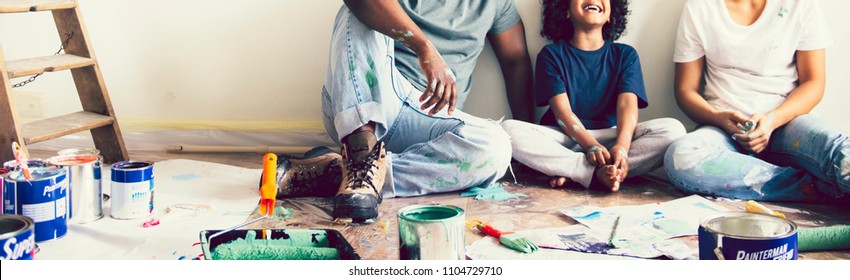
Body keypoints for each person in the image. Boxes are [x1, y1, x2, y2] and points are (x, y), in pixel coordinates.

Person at [271, 0, 535, 223]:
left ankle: (347, 175)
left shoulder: (497, 3)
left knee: (497, 146)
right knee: (355, 12)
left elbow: (515, 61)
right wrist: (424, 48)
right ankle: (360, 151)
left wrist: (528, 141)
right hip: (369, 100)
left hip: (431, 121)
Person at [665, 0, 849, 202]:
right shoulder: (700, 7)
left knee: (842, 152)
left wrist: (772, 120)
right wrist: (719, 118)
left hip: (787, 123)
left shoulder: (800, 5)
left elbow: (814, 84)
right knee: (681, 156)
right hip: (724, 131)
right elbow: (685, 90)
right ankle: (812, 188)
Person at [502, 0, 686, 192]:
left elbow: (627, 107)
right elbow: (562, 113)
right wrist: (590, 146)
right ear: (565, 11)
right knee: (507, 130)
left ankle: (584, 172)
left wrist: (622, 147)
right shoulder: (551, 55)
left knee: (673, 130)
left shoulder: (625, 55)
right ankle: (588, 172)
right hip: (565, 140)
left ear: (610, 16)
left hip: (610, 138)